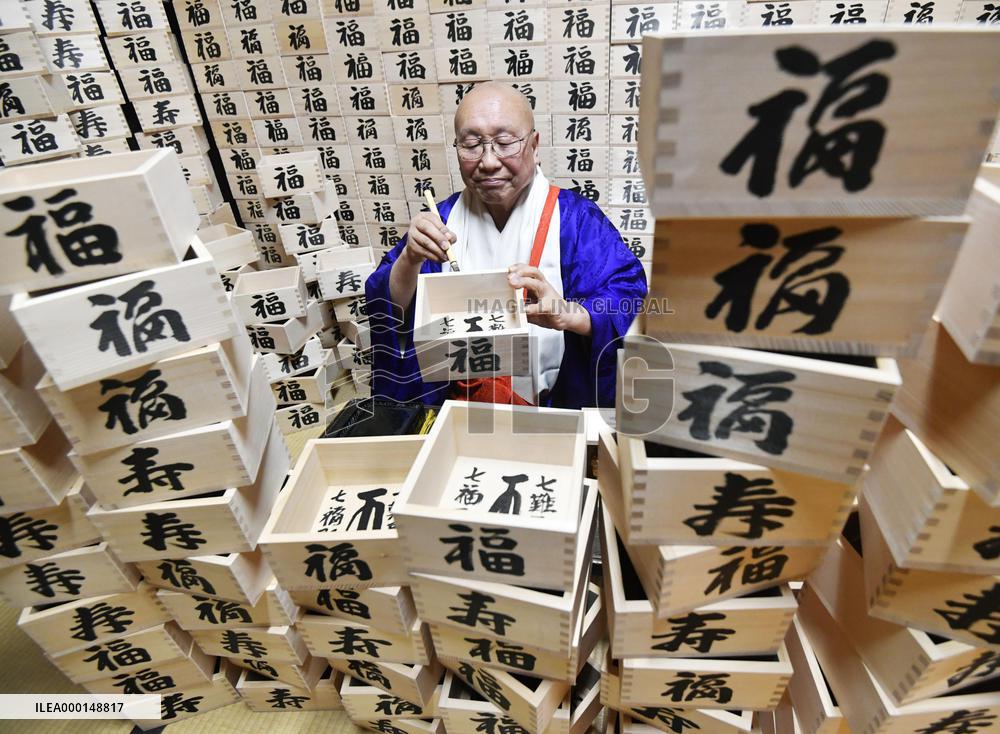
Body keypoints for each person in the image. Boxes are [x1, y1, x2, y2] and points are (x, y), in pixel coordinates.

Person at [364, 81, 647, 409]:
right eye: (471, 144)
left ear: (535, 146)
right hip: (456, 409)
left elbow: (628, 296)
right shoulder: (441, 221)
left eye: (504, 143)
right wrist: (410, 259)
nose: (488, 161)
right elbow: (388, 310)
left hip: (554, 409)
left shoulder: (574, 219)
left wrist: (570, 315)